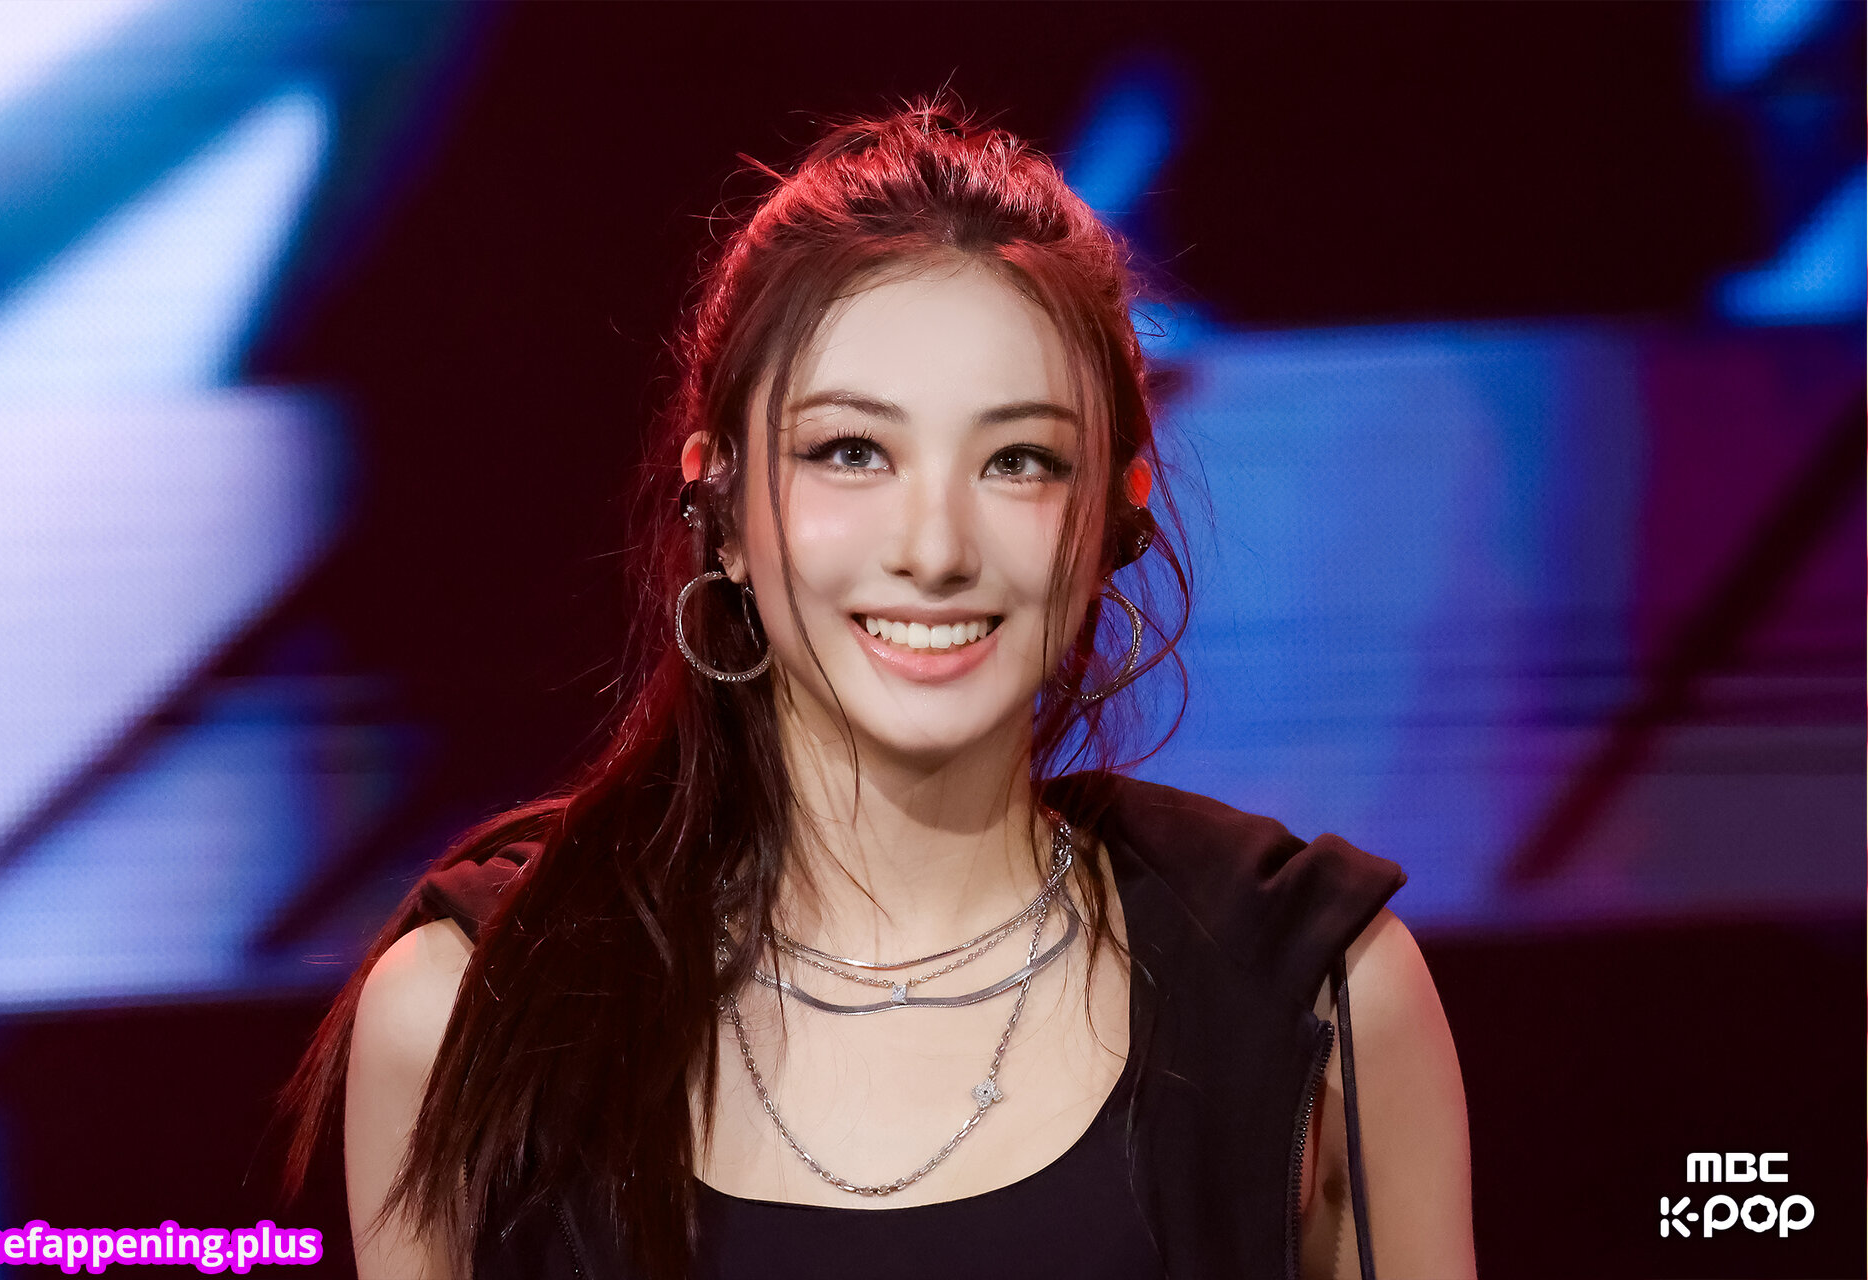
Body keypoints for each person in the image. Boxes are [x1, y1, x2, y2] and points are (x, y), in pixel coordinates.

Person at [278, 102, 1475, 1280]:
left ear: (1119, 506)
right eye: (851, 451)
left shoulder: (1314, 999)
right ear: (721, 507)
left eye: (1019, 460)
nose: (935, 546)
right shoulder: (470, 1013)